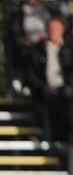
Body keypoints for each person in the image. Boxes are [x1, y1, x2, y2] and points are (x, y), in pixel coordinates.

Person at [24, 16, 73, 145]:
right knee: (51, 98)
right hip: (46, 89)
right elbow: (30, 74)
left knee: (68, 96)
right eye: (50, 28)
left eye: (56, 28)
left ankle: (67, 137)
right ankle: (52, 137)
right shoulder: (36, 50)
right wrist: (42, 87)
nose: (53, 31)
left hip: (66, 88)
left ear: (62, 30)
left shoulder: (69, 49)